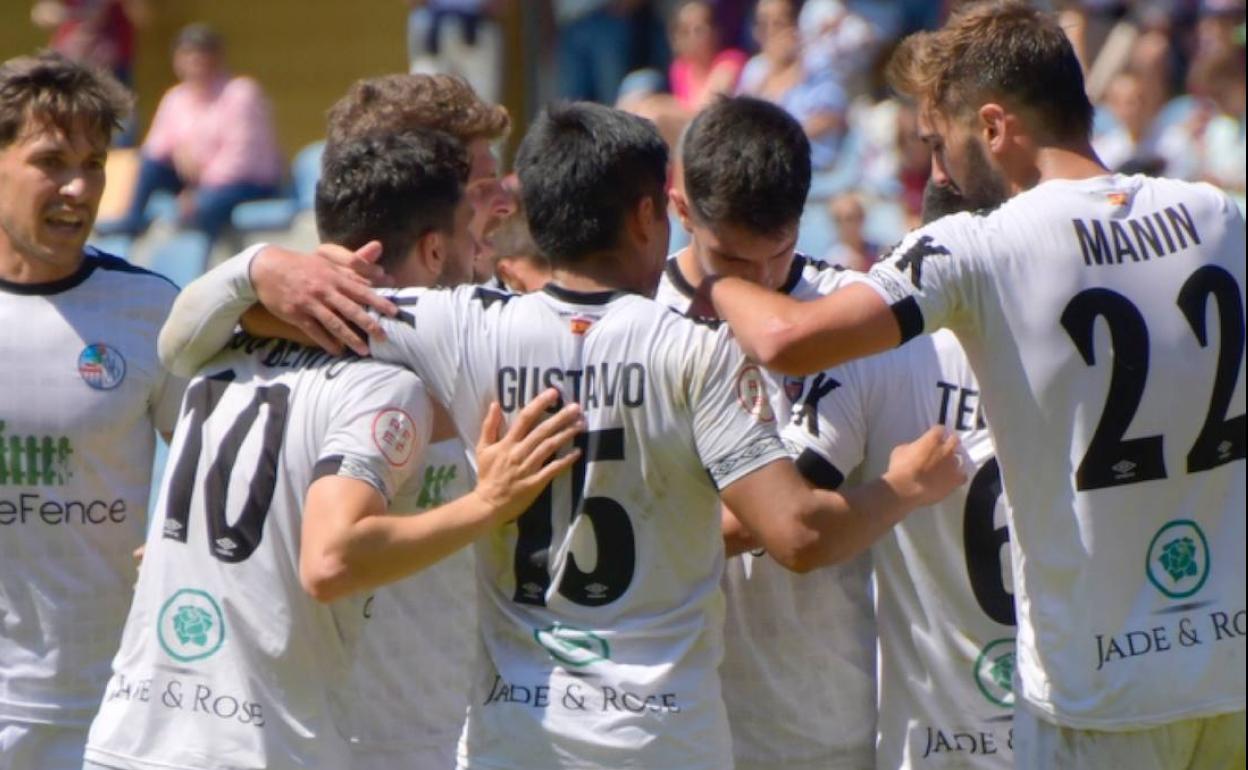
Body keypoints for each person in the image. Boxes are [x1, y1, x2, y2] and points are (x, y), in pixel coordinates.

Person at [156, 101, 966, 769]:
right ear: (653, 213)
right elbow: (795, 532)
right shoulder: (696, 350)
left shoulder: (464, 328)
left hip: (520, 730)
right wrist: (901, 488)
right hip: (661, 734)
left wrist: (264, 271)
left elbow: (192, 338)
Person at [704, 3, 1246, 767]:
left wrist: (715, 277)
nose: (940, 174)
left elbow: (785, 341)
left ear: (993, 127)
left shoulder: (984, 245)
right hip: (1230, 674)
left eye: (939, 143)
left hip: (1099, 694)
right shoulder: (1217, 215)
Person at [82, 128, 586, 770]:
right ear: (434, 249)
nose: (482, 245)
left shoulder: (221, 345)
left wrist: (256, 270)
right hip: (258, 748)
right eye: (470, 223)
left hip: (131, 736)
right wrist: (489, 502)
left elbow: (178, 342)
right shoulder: (390, 386)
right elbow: (329, 560)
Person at [658, 95, 877, 770]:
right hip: (681, 731)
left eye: (776, 256)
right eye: (731, 260)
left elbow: (786, 524)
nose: (756, 282)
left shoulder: (853, 320)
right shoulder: (636, 324)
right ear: (681, 209)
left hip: (821, 731)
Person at [781, 180, 1017, 770]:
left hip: (933, 738)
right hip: (1076, 713)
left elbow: (779, 516)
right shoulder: (1066, 343)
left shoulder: (871, 354)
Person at [0, 51, 183, 770]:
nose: (78, 187)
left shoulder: (149, 310)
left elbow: (223, 472)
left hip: (114, 711)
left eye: (96, 163)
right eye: (51, 160)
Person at [94, 23, 282, 240]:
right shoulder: (175, 97)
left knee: (201, 208)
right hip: (196, 181)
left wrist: (199, 192)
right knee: (149, 167)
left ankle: (204, 261)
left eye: (203, 53)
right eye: (188, 54)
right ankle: (130, 222)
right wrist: (176, 152)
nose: (196, 60)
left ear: (218, 57)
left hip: (247, 184)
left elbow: (240, 159)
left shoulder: (241, 93)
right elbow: (153, 149)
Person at [737, 0, 847, 170]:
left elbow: (830, 119)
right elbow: (741, 118)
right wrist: (775, 69)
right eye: (763, 24)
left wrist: (773, 141)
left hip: (812, 169)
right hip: (765, 167)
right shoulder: (755, 68)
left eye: (778, 24)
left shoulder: (817, 63)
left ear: (795, 26)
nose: (770, 32)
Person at [667, 0, 746, 113]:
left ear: (716, 32)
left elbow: (708, 109)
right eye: (684, 31)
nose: (691, 37)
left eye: (699, 30)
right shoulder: (679, 68)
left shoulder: (731, 60)